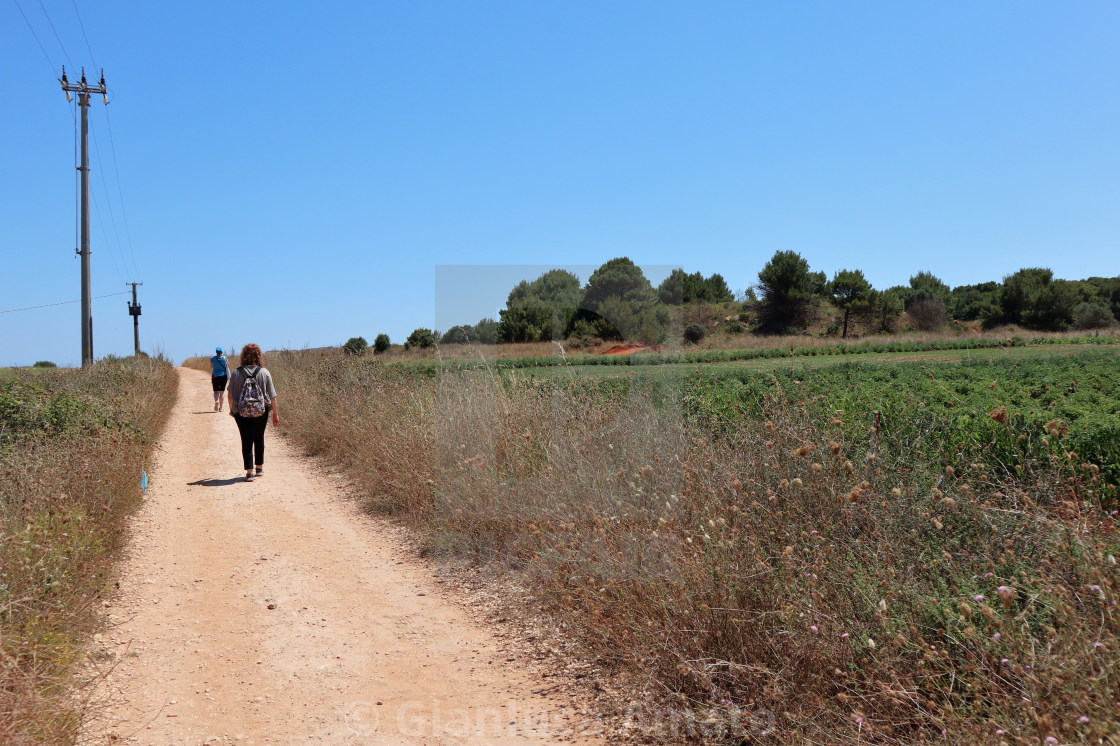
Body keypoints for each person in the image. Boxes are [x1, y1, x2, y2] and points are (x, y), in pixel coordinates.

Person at [227, 344, 279, 482]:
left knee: (246, 439)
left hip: (241, 412)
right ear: (259, 355)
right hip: (261, 411)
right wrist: (275, 414)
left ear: (243, 356)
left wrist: (232, 410)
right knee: (259, 437)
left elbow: (230, 395)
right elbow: (272, 396)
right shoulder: (264, 372)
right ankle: (259, 468)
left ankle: (249, 473)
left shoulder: (236, 373)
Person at [210, 346, 230, 411]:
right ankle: (221, 408)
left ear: (216, 352)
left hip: (215, 376)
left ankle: (216, 401)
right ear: (221, 352)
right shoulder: (225, 358)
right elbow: (228, 365)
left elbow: (211, 367)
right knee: (222, 392)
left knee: (216, 391)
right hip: (223, 376)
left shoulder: (212, 358)